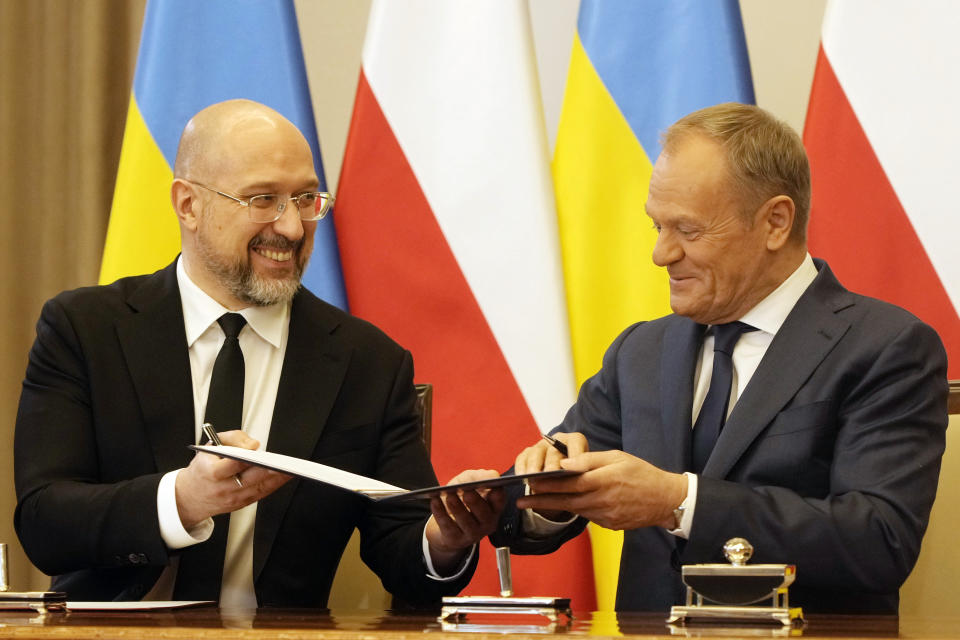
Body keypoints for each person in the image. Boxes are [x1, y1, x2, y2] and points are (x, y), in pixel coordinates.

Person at [14, 99, 503, 608]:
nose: (292, 228)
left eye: (307, 198)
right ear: (188, 205)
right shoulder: (86, 330)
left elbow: (405, 553)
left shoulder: (367, 362)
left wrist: (445, 539)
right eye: (264, 199)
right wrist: (183, 500)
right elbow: (46, 523)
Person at [488, 103, 948, 614]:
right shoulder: (642, 350)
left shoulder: (886, 347)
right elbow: (535, 507)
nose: (661, 254)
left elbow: (879, 541)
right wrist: (532, 488)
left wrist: (678, 501)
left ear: (775, 222)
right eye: (656, 227)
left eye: (687, 231)